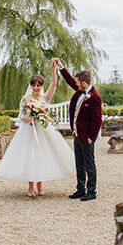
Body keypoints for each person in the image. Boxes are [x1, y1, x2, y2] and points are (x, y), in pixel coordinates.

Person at [0, 60, 75, 197]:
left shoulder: (45, 97)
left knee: (42, 156)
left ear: (42, 86)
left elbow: (54, 84)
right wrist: (32, 118)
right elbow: (21, 117)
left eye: (38, 85)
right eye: (34, 85)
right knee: (30, 157)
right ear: (31, 85)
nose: (36, 88)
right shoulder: (25, 99)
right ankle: (31, 186)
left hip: (43, 131)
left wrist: (53, 69)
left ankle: (40, 185)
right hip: (29, 131)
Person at [53, 58, 102, 201]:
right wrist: (61, 66)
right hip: (77, 134)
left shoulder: (94, 97)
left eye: (78, 82)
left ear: (84, 83)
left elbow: (97, 120)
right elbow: (69, 80)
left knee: (89, 164)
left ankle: (91, 191)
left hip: (86, 136)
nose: (75, 84)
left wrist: (90, 137)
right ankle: (80, 189)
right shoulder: (80, 91)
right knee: (79, 163)